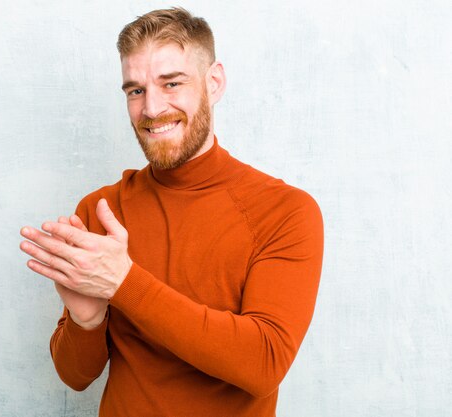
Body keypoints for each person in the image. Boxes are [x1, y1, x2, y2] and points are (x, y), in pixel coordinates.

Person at [19, 7, 323, 416]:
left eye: (172, 83)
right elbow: (75, 376)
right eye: (135, 90)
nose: (151, 108)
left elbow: (263, 363)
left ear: (213, 83)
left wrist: (123, 282)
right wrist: (86, 320)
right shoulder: (102, 210)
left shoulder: (285, 211)